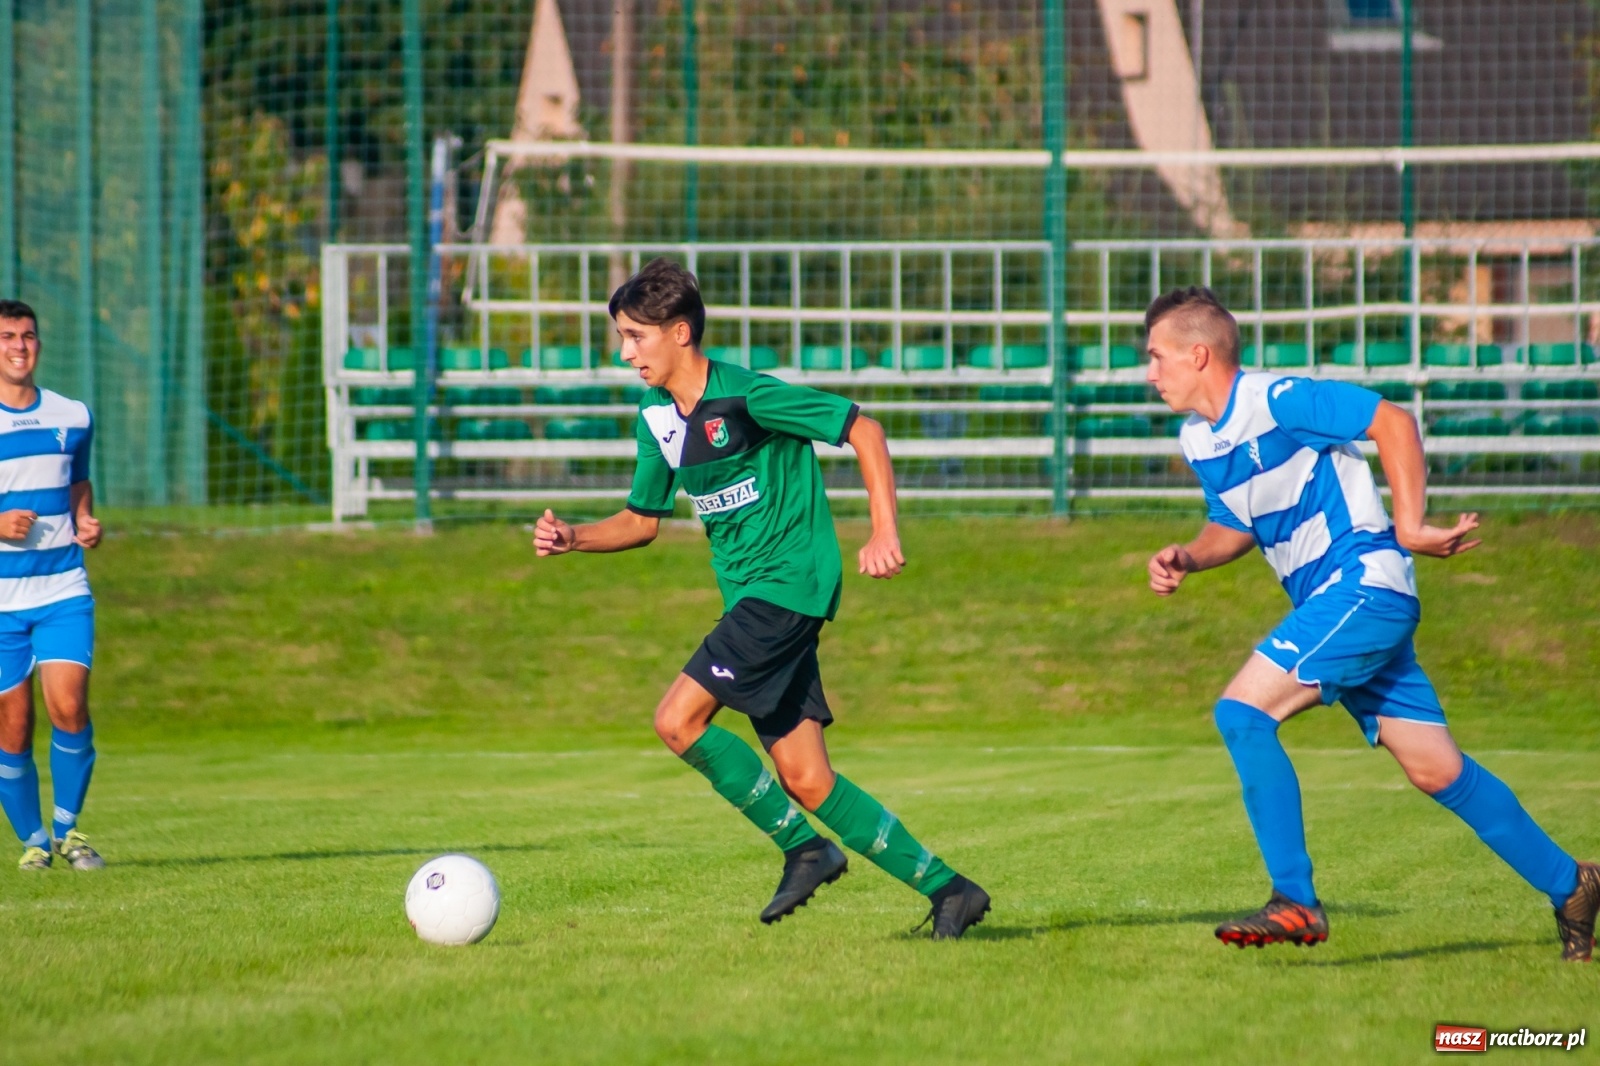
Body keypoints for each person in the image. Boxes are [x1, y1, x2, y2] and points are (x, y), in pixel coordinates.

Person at [535, 259, 989, 938]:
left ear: (680, 333)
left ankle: (804, 850)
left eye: (636, 337)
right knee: (808, 779)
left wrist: (883, 530)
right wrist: (574, 536)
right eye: (622, 337)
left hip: (787, 589)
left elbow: (865, 431)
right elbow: (640, 521)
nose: (625, 352)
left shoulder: (751, 397)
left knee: (676, 721)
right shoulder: (656, 417)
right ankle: (950, 889)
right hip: (754, 600)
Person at [1142, 286, 1597, 961]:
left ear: (1198, 354)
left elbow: (1393, 421)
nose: (1150, 373)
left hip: (1362, 586)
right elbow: (1235, 522)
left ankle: (1294, 899)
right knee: (1436, 771)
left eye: (1155, 357)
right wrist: (1190, 555)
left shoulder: (1279, 399)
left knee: (1241, 714)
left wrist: (1409, 525)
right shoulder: (1198, 438)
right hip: (1339, 605)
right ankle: (1574, 885)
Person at [0, 300, 105, 872]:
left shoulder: (73, 415)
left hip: (63, 587)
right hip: (1, 604)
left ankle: (70, 832)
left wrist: (86, 519)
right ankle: (34, 841)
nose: (19, 346)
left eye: (29, 336)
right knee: (14, 725)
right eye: (8, 336)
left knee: (69, 705)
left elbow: (78, 484)